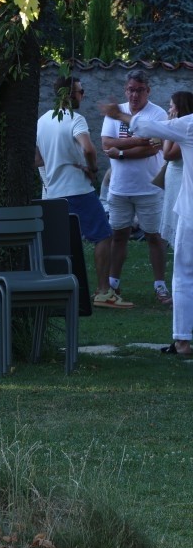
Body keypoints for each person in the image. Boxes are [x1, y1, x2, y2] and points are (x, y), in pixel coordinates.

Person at [101, 99, 193, 354]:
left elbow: (151, 127)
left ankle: (183, 340)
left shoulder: (189, 124)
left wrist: (120, 114)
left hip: (191, 212)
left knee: (185, 276)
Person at [33, 76, 119, 305]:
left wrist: (50, 179)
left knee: (63, 243)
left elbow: (37, 159)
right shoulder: (75, 119)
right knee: (103, 235)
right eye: (82, 91)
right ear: (72, 94)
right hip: (77, 189)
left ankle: (59, 291)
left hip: (52, 194)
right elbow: (89, 149)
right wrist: (91, 168)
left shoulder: (42, 120)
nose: (83, 95)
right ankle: (103, 292)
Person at [98, 70, 169, 307]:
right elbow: (106, 143)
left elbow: (154, 147)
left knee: (154, 237)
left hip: (149, 188)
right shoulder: (116, 111)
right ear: (125, 90)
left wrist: (120, 153)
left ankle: (160, 285)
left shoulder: (157, 113)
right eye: (130, 89)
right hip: (119, 187)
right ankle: (113, 284)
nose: (134, 94)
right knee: (119, 235)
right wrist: (139, 141)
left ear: (148, 90)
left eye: (139, 89)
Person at [160, 91, 190, 247]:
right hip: (173, 179)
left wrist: (169, 131)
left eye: (171, 106)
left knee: (181, 225)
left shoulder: (185, 130)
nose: (168, 111)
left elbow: (168, 154)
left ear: (179, 109)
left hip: (180, 182)